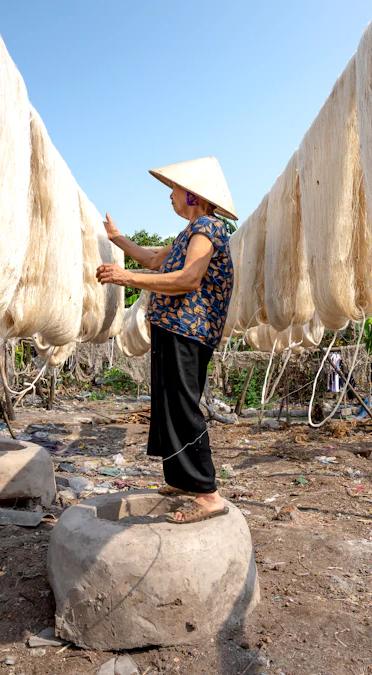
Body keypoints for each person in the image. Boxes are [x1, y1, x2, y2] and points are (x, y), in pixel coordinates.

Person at [95, 157, 236, 524]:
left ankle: (208, 496)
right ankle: (181, 478)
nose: (169, 197)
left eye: (173, 190)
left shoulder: (206, 227)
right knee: (168, 404)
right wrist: (117, 239)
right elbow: (156, 258)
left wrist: (126, 278)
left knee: (183, 407)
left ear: (192, 195)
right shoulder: (189, 233)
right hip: (173, 329)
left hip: (188, 331)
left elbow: (188, 278)